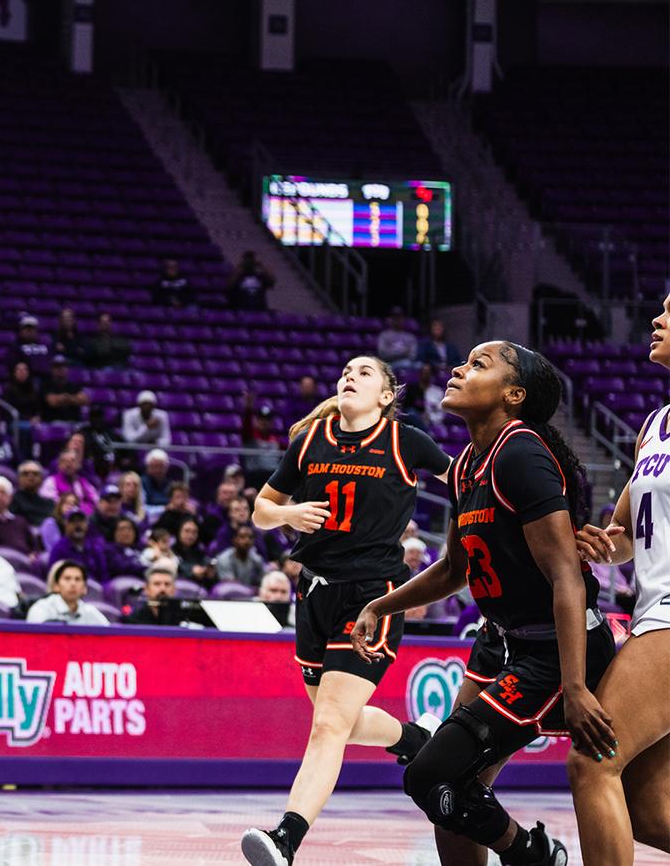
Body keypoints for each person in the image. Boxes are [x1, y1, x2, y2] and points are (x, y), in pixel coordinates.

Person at [349, 341, 615, 866]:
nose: (457, 369)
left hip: (552, 649)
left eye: (478, 365)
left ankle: (533, 853)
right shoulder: (468, 462)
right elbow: (454, 569)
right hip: (500, 642)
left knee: (429, 773)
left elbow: (567, 577)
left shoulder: (520, 452)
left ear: (513, 395)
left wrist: (576, 684)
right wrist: (383, 605)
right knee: (449, 796)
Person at [239, 354, 452, 866]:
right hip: (313, 593)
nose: (349, 377)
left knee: (329, 725)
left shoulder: (406, 440)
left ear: (386, 396)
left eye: (365, 372)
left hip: (372, 595)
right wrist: (289, 512)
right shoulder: (310, 441)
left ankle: (286, 837)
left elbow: (467, 482)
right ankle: (417, 738)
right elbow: (262, 510)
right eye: (346, 372)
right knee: (336, 720)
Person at [568, 293, 670, 863]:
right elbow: (628, 531)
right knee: (652, 812)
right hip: (650, 610)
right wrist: (603, 544)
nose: (656, 319)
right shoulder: (655, 424)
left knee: (592, 759)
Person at [26, 560, 108, 626]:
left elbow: (110, 637)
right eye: (67, 578)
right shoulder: (41, 608)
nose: (73, 584)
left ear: (84, 588)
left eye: (78, 579)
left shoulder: (90, 611)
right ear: (56, 586)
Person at [48, 510, 110, 584]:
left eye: (81, 521)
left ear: (87, 525)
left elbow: (104, 576)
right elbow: (54, 578)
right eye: (73, 522)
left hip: (94, 591)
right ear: (66, 525)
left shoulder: (95, 548)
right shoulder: (58, 549)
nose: (77, 525)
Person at [0, 477, 36, 555]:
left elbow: (33, 549)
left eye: (3, 492)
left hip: (21, 564)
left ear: (10, 497)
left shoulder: (21, 522)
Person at [43, 449, 97, 515]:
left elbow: (95, 501)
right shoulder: (51, 481)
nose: (68, 464)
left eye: (72, 461)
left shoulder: (83, 483)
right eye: (65, 461)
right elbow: (51, 504)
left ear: (78, 465)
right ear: (59, 465)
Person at [40, 356, 88, 423]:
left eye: (63, 366)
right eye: (57, 366)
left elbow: (84, 400)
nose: (60, 369)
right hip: (53, 424)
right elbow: (52, 402)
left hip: (74, 422)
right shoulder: (46, 385)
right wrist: (74, 400)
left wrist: (65, 398)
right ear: (52, 369)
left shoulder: (73, 385)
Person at [10, 460, 54, 526]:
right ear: (19, 478)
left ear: (41, 478)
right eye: (25, 473)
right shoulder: (12, 501)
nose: (31, 476)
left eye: (35, 473)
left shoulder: (49, 503)